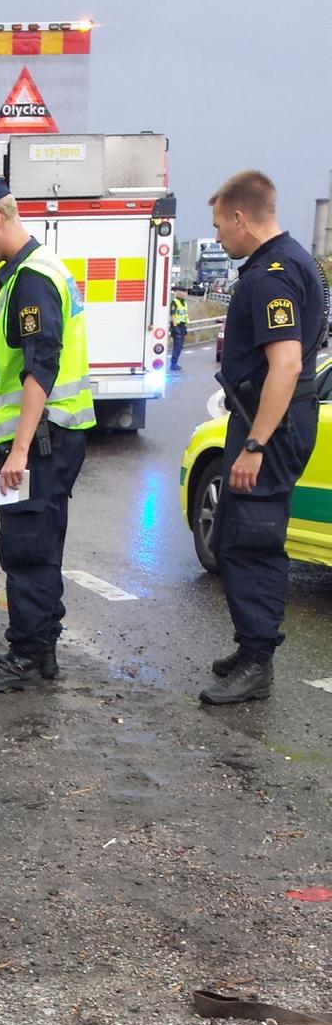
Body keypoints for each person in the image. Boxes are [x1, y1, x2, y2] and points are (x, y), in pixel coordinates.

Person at [0, 177, 95, 693]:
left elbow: (40, 369)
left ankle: (27, 654)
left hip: (34, 444)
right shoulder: (24, 275)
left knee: (26, 547)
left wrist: (21, 451)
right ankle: (42, 648)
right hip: (39, 441)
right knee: (39, 543)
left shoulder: (31, 279)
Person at [198, 170, 324, 705]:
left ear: (241, 217)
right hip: (262, 419)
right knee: (235, 535)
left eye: (220, 227)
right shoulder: (289, 261)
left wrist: (255, 444)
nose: (219, 237)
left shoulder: (273, 273)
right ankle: (250, 646)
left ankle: (258, 663)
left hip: (268, 426)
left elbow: (287, 363)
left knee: (253, 541)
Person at [169, 284, 189, 370]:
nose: (185, 294)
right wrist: (175, 327)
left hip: (182, 326)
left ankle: (175, 362)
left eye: (186, 292)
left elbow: (184, 315)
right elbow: (173, 315)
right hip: (176, 326)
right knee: (177, 346)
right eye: (184, 292)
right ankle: (173, 363)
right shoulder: (175, 302)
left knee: (180, 346)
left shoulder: (184, 303)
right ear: (179, 293)